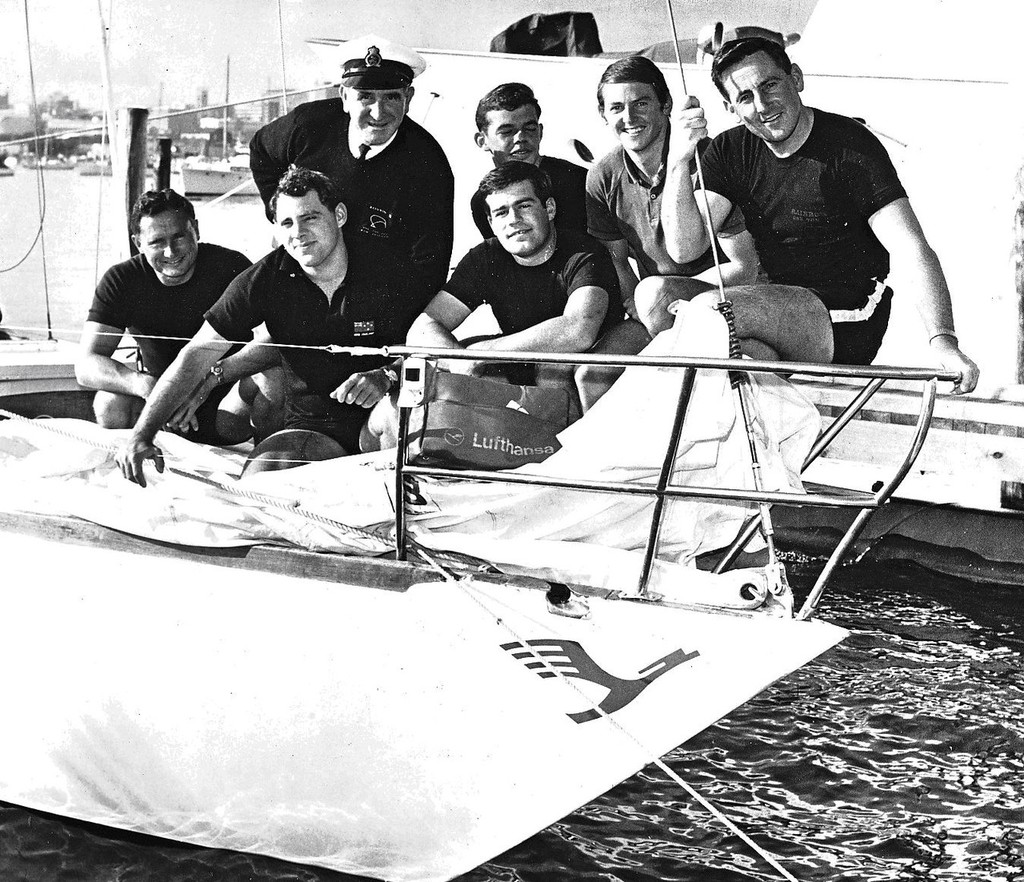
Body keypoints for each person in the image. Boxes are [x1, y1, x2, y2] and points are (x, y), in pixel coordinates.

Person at [660, 36, 979, 392]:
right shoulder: (730, 150)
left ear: (795, 78)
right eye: (745, 97)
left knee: (707, 311)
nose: (763, 105)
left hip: (849, 316)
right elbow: (684, 249)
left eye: (770, 85)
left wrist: (945, 344)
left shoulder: (850, 145)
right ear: (730, 107)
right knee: (664, 303)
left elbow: (911, 248)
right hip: (773, 306)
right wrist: (678, 161)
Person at [115, 168, 421, 487]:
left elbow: (429, 352)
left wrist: (386, 376)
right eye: (287, 223)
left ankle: (396, 495)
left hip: (374, 425)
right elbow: (196, 353)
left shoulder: (388, 272)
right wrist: (142, 434)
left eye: (311, 217)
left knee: (398, 409)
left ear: (339, 215)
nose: (299, 232)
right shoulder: (266, 279)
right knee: (257, 491)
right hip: (308, 426)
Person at [248, 34, 454, 307]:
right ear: (345, 96)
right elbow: (261, 151)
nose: (378, 113)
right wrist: (282, 217)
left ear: (409, 98)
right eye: (365, 97)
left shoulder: (429, 166)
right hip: (303, 269)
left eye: (392, 97)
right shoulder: (307, 126)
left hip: (374, 290)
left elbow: (429, 268)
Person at [409, 161, 620, 413]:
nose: (514, 220)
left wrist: (484, 351)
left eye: (524, 206)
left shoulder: (583, 252)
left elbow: (578, 330)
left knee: (553, 371)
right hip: (528, 366)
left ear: (549, 208)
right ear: (490, 222)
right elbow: (422, 328)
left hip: (595, 363)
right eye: (501, 212)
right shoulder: (485, 257)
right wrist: (459, 359)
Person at [76, 188, 282, 445]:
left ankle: (266, 459)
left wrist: (207, 383)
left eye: (179, 237)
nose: (170, 252)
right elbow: (86, 365)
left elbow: (274, 345)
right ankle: (138, 469)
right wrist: (145, 386)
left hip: (224, 404)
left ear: (195, 229)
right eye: (156, 242)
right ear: (138, 242)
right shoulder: (121, 280)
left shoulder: (232, 267)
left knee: (273, 378)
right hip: (160, 408)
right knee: (108, 402)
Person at [586, 55, 758, 339]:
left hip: (730, 300)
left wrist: (671, 299)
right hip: (653, 308)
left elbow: (744, 268)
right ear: (603, 114)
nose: (629, 118)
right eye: (617, 108)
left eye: (640, 104)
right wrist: (637, 305)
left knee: (654, 293)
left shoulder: (710, 160)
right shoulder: (603, 175)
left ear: (666, 105)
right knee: (592, 376)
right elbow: (616, 260)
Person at [469, 82, 588, 240]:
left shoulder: (580, 182)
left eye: (530, 129)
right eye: (507, 132)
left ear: (540, 132)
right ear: (482, 141)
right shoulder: (483, 201)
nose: (521, 138)